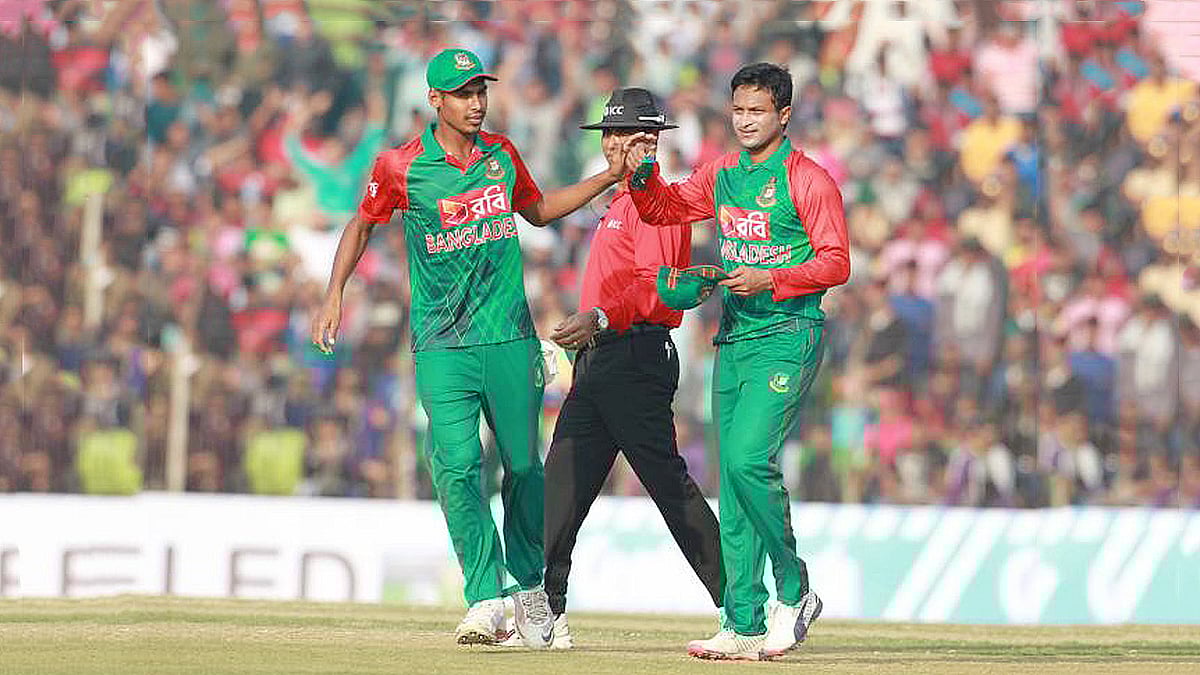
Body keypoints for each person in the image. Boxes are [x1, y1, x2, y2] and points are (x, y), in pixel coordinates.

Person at [309, 48, 630, 649]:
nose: (477, 103)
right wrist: (334, 294)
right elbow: (361, 223)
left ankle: (530, 592)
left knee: (525, 467)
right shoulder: (402, 166)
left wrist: (608, 178)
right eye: (463, 94)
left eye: (481, 91)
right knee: (456, 464)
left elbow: (536, 212)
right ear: (436, 101)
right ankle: (485, 598)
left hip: (509, 336)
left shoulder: (502, 155)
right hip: (442, 344)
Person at [623, 62, 850, 660]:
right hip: (735, 338)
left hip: (789, 332)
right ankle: (742, 619)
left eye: (757, 112)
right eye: (739, 110)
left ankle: (795, 590)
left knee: (750, 461)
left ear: (783, 115)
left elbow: (835, 262)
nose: (746, 121)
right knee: (733, 479)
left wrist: (770, 277)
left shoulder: (809, 180)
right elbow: (663, 210)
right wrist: (643, 170)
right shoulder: (721, 173)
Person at [535, 88, 726, 649]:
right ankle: (545, 610)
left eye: (627, 136)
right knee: (561, 484)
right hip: (602, 359)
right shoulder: (622, 201)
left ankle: (743, 606)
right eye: (611, 136)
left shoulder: (654, 203)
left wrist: (597, 316)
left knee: (668, 486)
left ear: (652, 141)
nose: (614, 145)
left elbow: (655, 285)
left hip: (633, 353)